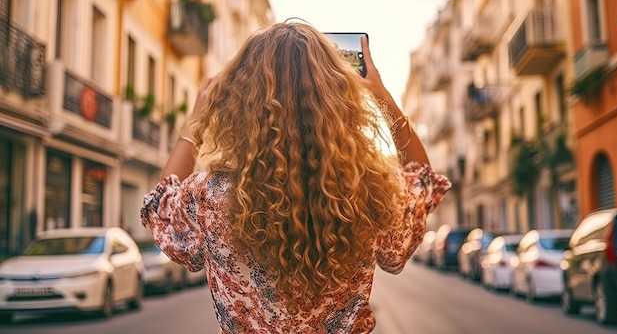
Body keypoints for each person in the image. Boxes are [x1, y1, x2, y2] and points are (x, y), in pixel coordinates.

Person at [140, 22, 451, 333]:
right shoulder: (370, 191)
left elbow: (159, 209)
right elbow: (424, 181)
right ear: (338, 99)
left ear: (241, 100)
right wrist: (383, 98)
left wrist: (197, 120)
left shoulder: (210, 194)